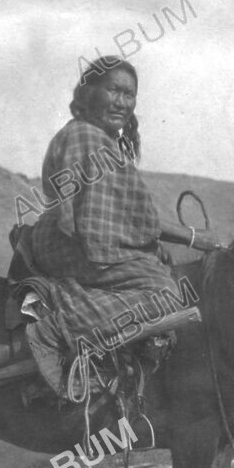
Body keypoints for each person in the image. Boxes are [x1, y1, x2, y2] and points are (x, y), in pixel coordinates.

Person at [26, 55, 179, 391]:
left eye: (129, 95)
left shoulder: (101, 139)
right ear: (89, 92)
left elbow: (127, 219)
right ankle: (56, 327)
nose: (122, 102)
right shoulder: (86, 137)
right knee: (164, 292)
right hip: (73, 242)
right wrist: (194, 238)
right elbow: (99, 225)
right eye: (114, 91)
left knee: (159, 273)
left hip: (85, 240)